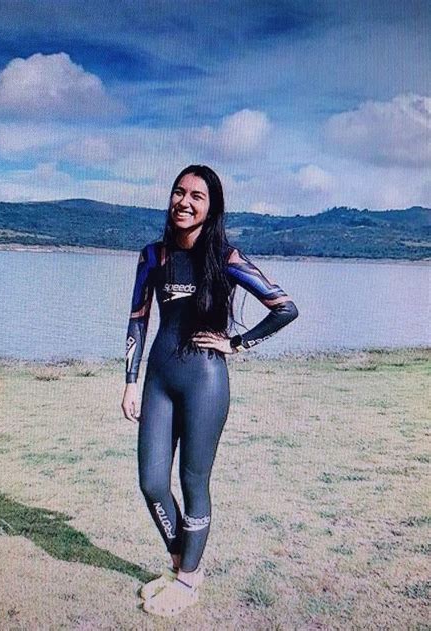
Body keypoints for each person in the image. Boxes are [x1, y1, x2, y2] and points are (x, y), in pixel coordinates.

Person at [121, 165, 298, 617]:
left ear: (211, 207)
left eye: (196, 196)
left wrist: (237, 343)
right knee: (152, 482)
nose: (184, 201)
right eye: (179, 192)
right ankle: (182, 564)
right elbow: (138, 319)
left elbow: (284, 308)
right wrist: (131, 382)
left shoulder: (226, 258)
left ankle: (188, 579)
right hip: (159, 379)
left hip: (205, 381)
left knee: (193, 481)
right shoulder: (153, 256)